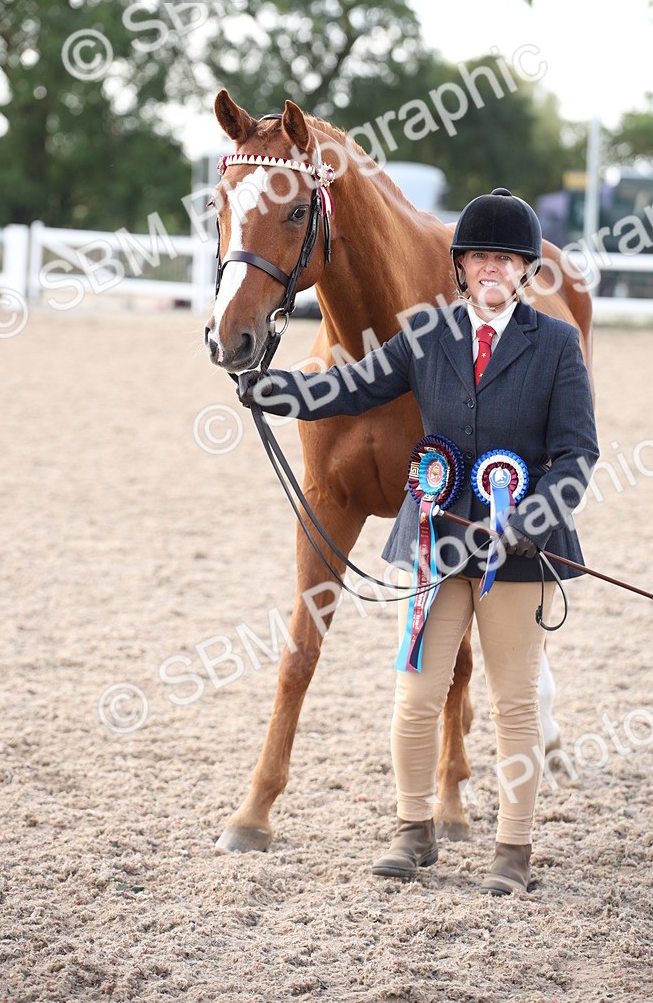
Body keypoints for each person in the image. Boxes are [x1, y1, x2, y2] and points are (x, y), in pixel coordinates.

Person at [237, 187, 599, 894]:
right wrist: (273, 390)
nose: (492, 270)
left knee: (516, 703)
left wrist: (531, 519)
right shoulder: (428, 334)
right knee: (416, 693)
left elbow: (578, 454)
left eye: (507, 259)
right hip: (437, 542)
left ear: (526, 269)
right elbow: (352, 387)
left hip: (516, 553)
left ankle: (513, 850)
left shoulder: (555, 344)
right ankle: (412, 829)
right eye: (479, 258)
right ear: (460, 267)